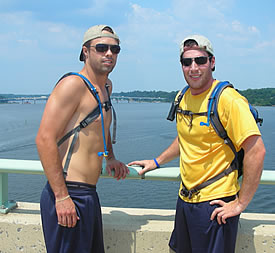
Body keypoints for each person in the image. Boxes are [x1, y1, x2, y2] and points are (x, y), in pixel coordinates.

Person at [128, 34, 265, 253]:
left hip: (215, 204)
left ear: (212, 62)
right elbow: (185, 137)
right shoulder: (183, 97)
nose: (193, 67)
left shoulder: (228, 99)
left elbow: (256, 151)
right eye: (187, 62)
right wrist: (157, 160)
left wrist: (240, 204)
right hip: (185, 198)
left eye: (200, 60)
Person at [36, 24, 129, 253]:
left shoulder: (106, 86)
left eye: (115, 49)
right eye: (102, 47)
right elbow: (44, 139)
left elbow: (100, 127)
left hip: (89, 194)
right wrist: (61, 197)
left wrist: (111, 157)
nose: (109, 54)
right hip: (69, 194)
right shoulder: (72, 85)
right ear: (86, 51)